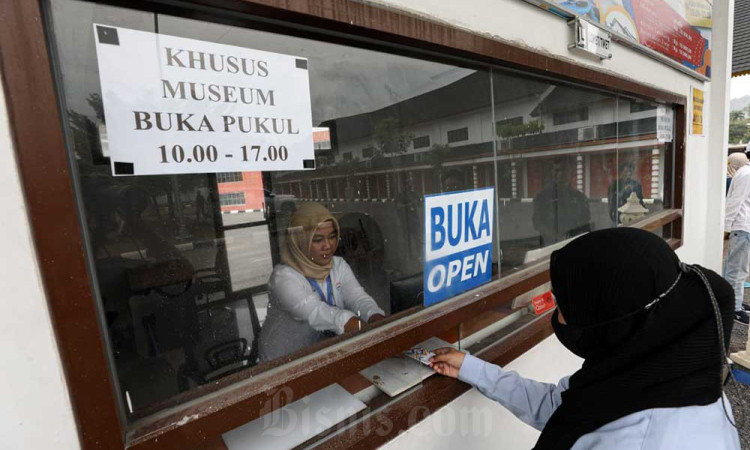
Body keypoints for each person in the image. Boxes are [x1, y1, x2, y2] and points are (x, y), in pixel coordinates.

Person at [430, 228, 740, 450]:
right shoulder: (662, 378)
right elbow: (561, 406)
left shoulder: (637, 439)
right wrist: (471, 368)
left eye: (567, 305)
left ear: (610, 322)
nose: (559, 315)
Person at [258, 203, 385, 362]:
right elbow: (315, 312)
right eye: (318, 240)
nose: (328, 246)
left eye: (332, 236)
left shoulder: (337, 265)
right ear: (300, 241)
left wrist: (375, 316)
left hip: (316, 354)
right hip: (281, 360)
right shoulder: (283, 278)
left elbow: (358, 298)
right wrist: (364, 330)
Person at [532, 158, 591, 246]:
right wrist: (556, 237)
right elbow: (538, 223)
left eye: (565, 170)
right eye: (557, 170)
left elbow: (586, 225)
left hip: (574, 246)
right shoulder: (541, 197)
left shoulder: (580, 198)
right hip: (550, 247)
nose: (561, 174)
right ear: (553, 173)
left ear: (570, 173)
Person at [724, 152, 750, 325]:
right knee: (737, 271)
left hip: (743, 228)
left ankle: (734, 302)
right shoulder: (747, 174)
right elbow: (735, 201)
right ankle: (733, 309)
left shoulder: (745, 173)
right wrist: (725, 227)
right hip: (742, 228)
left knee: (734, 269)